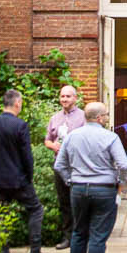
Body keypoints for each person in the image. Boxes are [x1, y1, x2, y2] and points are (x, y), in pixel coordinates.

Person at [53, 101, 127, 253]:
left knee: (78, 232)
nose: (107, 118)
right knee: (98, 236)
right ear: (99, 118)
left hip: (78, 189)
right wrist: (121, 181)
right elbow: (124, 164)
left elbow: (59, 165)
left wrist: (70, 180)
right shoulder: (110, 137)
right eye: (106, 115)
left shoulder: (72, 137)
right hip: (104, 189)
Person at [0, 89, 52, 253]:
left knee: (2, 214)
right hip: (18, 178)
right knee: (36, 210)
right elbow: (26, 156)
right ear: (17, 103)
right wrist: (29, 176)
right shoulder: (20, 125)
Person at [44, 83, 87, 231]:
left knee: (79, 201)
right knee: (64, 201)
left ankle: (80, 234)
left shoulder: (83, 117)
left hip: (78, 165)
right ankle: (67, 235)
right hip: (60, 165)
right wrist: (53, 146)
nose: (64, 99)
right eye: (62, 96)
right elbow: (47, 140)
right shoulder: (55, 118)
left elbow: (88, 140)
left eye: (68, 96)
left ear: (75, 98)